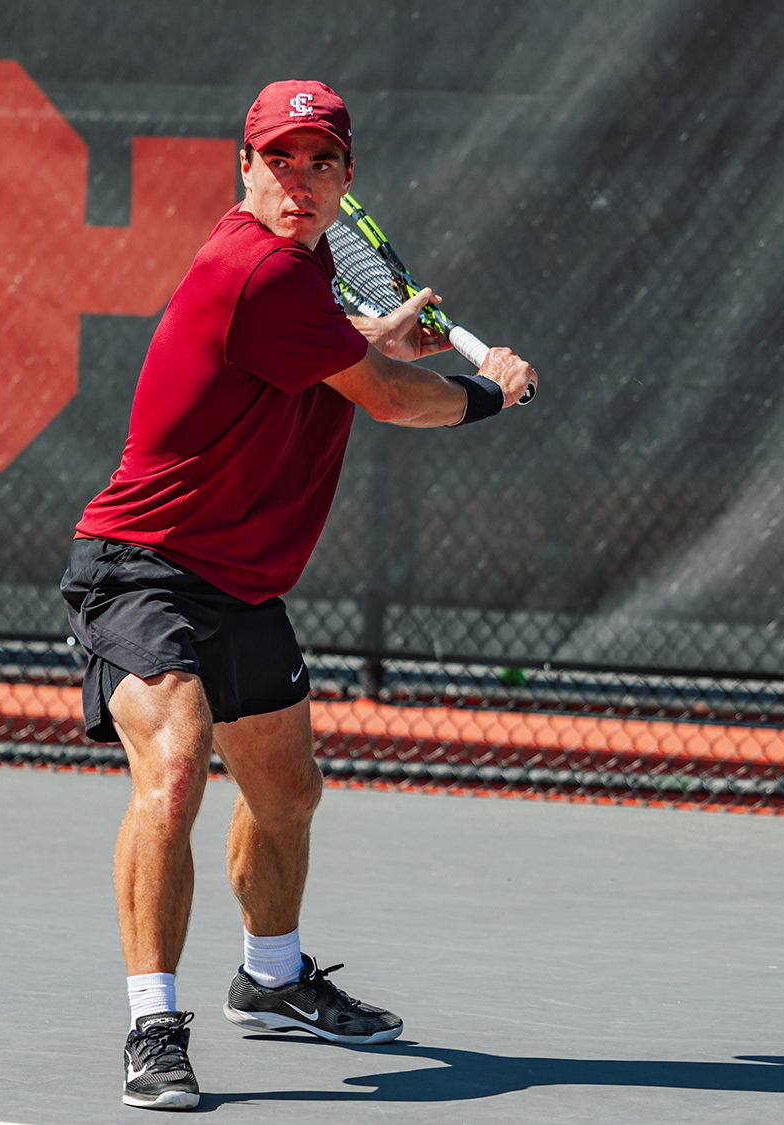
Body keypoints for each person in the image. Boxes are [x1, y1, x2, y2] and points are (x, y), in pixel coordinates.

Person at [59, 79, 536, 1112]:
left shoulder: (308, 275)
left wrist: (373, 335)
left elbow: (337, 346)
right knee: (176, 769)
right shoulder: (256, 267)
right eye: (279, 159)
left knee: (287, 793)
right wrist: (489, 390)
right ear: (244, 167)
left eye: (321, 163)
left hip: (239, 582)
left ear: (346, 178)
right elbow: (391, 399)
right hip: (141, 564)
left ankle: (270, 981)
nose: (300, 181)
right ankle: (151, 1026)